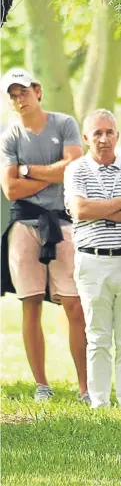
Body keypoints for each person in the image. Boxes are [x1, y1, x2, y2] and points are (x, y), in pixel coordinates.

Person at [0, 67, 88, 403]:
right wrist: (55, 173)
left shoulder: (64, 124)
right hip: (24, 227)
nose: (19, 99)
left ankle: (84, 388)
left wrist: (27, 171)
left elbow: (75, 166)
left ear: (37, 90)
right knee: (30, 303)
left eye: (23, 91)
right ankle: (42, 385)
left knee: (74, 305)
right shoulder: (10, 136)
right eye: (13, 95)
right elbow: (10, 190)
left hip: (64, 225)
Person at [64, 109, 121, 408]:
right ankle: (99, 402)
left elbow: (89, 208)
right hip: (92, 261)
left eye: (109, 132)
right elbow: (80, 210)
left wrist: (98, 207)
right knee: (98, 336)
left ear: (117, 135)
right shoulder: (76, 170)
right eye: (97, 133)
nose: (103, 139)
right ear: (86, 138)